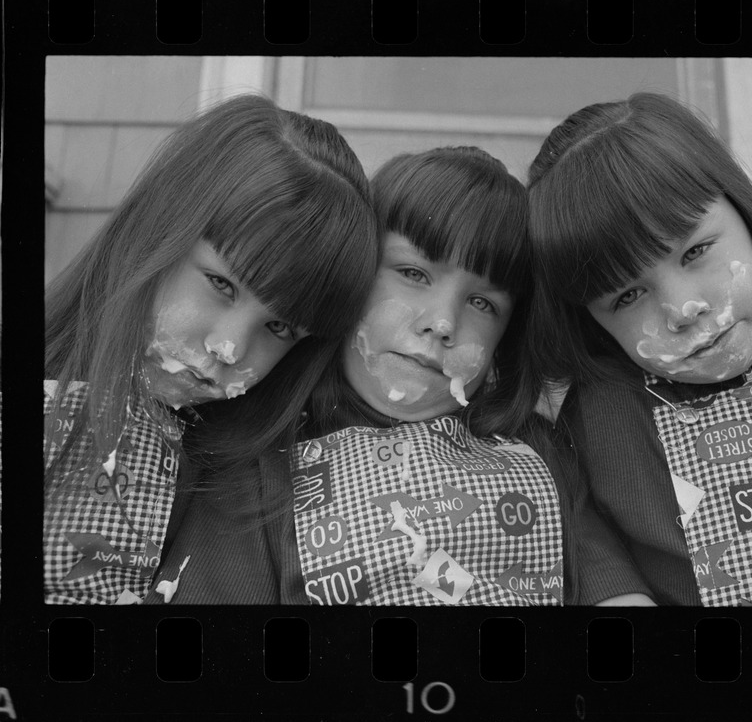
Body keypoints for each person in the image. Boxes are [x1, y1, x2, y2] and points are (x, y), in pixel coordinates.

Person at [144, 146, 572, 605]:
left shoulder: (543, 456)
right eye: (413, 272)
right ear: (351, 283)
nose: (443, 323)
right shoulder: (256, 465)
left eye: (483, 303)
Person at [44, 94, 379, 604]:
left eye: (280, 327)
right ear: (155, 228)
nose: (229, 348)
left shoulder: (252, 500)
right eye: (221, 285)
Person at [526, 92, 752, 607]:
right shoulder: (600, 423)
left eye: (696, 251)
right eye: (628, 294)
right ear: (591, 320)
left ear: (747, 214)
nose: (683, 309)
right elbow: (597, 566)